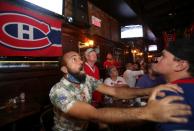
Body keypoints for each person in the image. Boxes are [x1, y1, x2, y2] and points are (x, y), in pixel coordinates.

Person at [49, 51, 191, 131]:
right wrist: (148, 112)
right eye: (75, 60)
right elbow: (94, 114)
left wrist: (151, 90)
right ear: (64, 70)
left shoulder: (87, 79)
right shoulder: (58, 91)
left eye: (80, 58)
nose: (80, 62)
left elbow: (116, 92)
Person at [152, 39, 194, 130]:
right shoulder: (189, 87)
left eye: (163, 56)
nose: (158, 59)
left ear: (180, 65)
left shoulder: (172, 93)